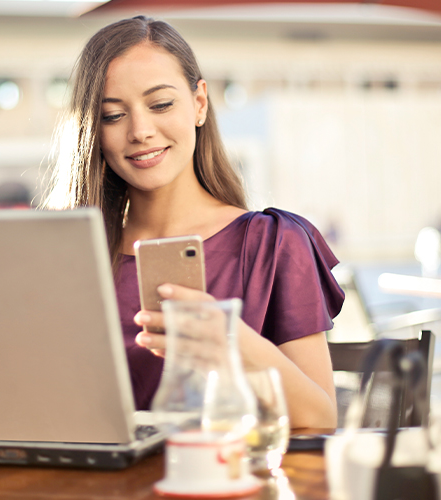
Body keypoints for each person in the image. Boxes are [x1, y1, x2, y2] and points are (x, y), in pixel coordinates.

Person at [42, 16, 344, 429]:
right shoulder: (67, 254)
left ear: (199, 103)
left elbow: (321, 417)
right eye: (113, 115)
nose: (141, 131)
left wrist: (230, 341)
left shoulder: (272, 243)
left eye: (161, 104)